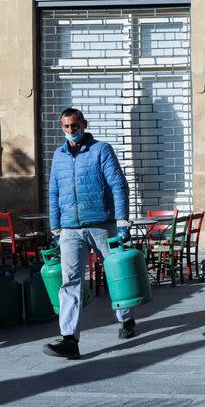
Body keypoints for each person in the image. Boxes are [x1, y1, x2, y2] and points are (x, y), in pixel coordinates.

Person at [43, 108, 135, 359]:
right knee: (70, 281)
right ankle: (69, 338)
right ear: (61, 128)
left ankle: (126, 319)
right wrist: (55, 226)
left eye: (75, 125)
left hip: (101, 225)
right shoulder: (58, 156)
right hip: (70, 229)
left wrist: (122, 221)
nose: (71, 131)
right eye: (66, 127)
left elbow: (118, 184)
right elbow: (54, 192)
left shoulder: (101, 150)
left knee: (116, 274)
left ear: (84, 124)